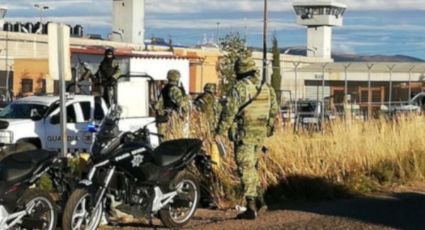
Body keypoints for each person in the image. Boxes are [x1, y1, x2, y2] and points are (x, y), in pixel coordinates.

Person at [216, 55, 279, 220]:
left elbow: (229, 112)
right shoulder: (266, 87)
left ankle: (251, 206)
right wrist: (269, 127)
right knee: (252, 167)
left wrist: (219, 132)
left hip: (244, 134)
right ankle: (260, 200)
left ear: (239, 70)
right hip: (260, 135)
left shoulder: (240, 88)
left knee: (245, 168)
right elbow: (274, 110)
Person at [154, 70, 190, 140]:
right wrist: (186, 96)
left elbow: (157, 106)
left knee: (164, 144)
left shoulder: (164, 89)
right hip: (171, 122)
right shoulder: (174, 89)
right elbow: (182, 103)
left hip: (162, 121)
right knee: (173, 145)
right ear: (177, 78)